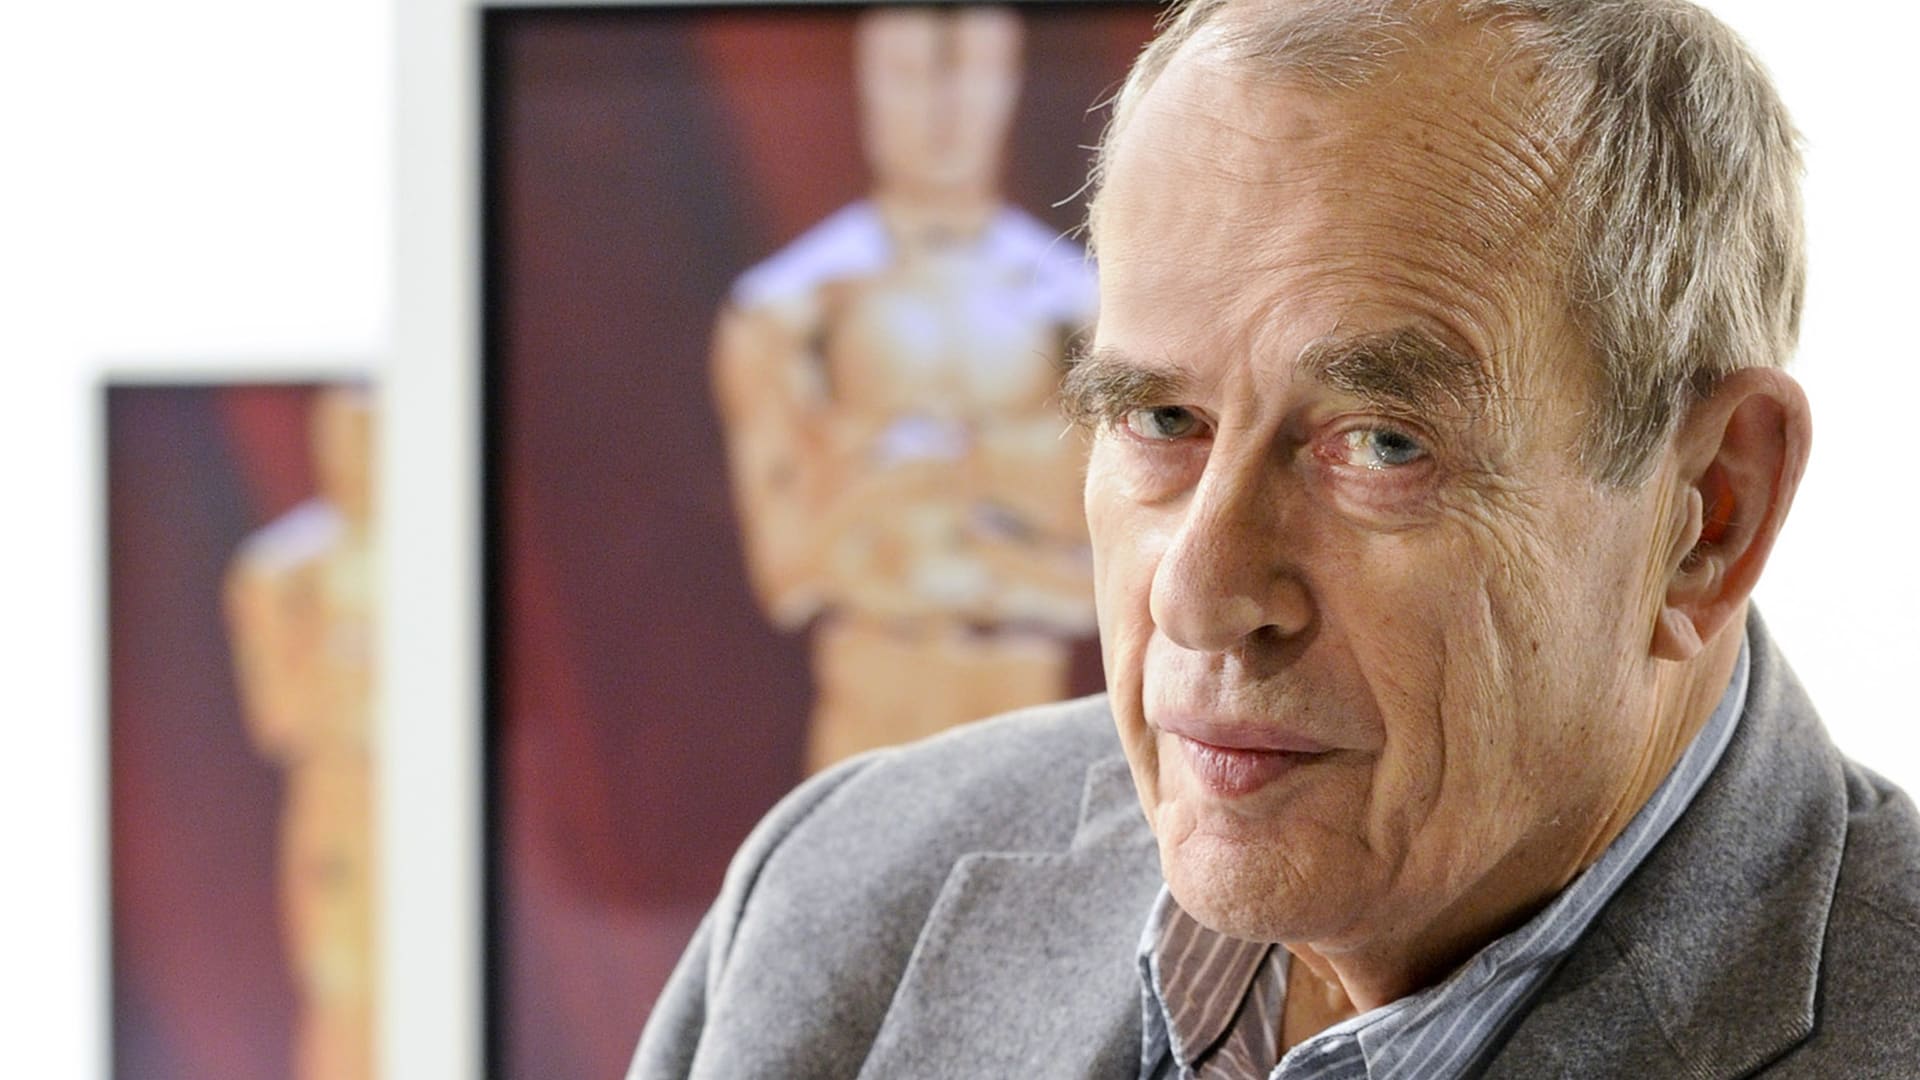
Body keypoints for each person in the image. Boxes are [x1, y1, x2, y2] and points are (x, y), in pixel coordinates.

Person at [633, 0, 1920, 1076]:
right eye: (1160, 418)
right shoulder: (842, 892)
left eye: (1383, 443)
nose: (1197, 594)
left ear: (1711, 516)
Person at [712, 5, 1100, 773]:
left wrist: (942, 497)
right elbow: (787, 572)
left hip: (1024, 697)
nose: (942, 115)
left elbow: (1122, 567)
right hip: (875, 690)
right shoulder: (785, 312)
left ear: (1009, 82)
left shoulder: (1085, 312)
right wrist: (964, 488)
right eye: (911, 77)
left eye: (970, 76)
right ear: (867, 86)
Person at [226, 386, 377, 1080]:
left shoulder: (443, 548)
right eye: (349, 432)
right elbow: (279, 717)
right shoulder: (287, 570)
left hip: (426, 807)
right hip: (340, 805)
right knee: (343, 983)